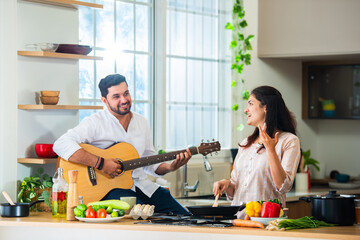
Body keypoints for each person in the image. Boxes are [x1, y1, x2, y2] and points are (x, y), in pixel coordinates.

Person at [53, 74, 191, 214]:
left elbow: (150, 162)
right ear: (105, 101)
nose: (124, 100)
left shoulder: (141, 122)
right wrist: (100, 163)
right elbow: (60, 144)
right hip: (113, 191)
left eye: (126, 93)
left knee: (188, 220)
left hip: (144, 187)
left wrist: (170, 167)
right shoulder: (95, 122)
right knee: (143, 221)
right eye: (116, 96)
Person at [212, 86, 301, 219]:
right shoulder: (246, 143)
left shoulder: (289, 141)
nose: (245, 109)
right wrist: (227, 184)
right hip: (239, 221)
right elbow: (235, 189)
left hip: (266, 222)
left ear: (266, 107)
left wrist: (270, 149)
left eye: (251, 104)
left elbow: (284, 186)